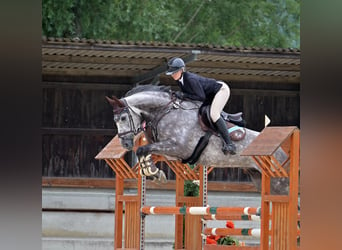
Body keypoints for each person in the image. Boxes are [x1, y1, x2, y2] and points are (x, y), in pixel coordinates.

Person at [165, 57, 236, 155]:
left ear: (181, 70)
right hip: (209, 95)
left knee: (214, 114)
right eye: (172, 73)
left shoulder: (190, 79)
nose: (172, 75)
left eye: (174, 72)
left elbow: (200, 97)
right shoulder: (180, 80)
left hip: (221, 90)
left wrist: (183, 95)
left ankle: (230, 144)